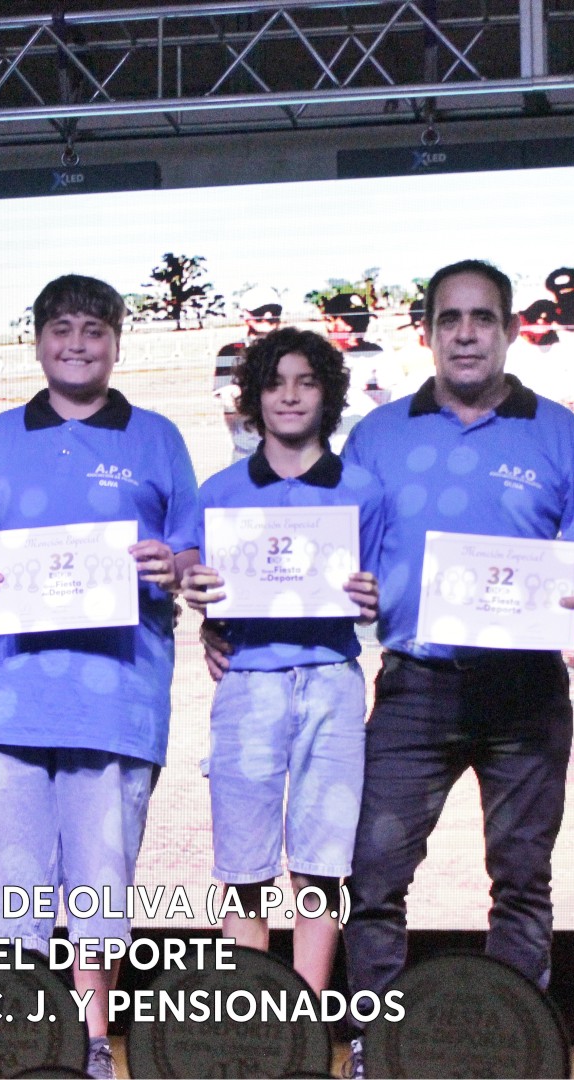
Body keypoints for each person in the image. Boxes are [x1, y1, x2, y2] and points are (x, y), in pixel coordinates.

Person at [293, 259, 574, 1075]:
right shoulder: (378, 436)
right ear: (428, 332)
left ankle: (511, 1050)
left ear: (508, 330)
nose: (466, 335)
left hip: (525, 692)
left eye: (482, 318)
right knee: (373, 879)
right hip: (415, 688)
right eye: (450, 319)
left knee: (522, 881)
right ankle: (377, 1046)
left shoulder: (558, 432)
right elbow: (328, 546)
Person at [0, 274, 199, 1080]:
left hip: (116, 701)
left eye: (94, 329)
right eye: (62, 328)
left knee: (99, 884)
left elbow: (190, 551)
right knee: (2, 887)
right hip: (7, 699)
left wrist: (171, 564)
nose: (77, 344)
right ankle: (14, 1039)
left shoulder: (157, 438)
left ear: (117, 342)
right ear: (38, 341)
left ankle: (89, 1043)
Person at [181, 327, 384, 994]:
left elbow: (381, 586)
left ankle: (306, 1013)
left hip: (333, 681)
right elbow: (196, 574)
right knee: (244, 863)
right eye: (273, 383)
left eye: (306, 382)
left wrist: (373, 594)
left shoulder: (363, 490)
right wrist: (199, 597)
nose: (289, 396)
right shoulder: (220, 491)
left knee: (323, 861)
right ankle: (250, 1011)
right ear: (253, 396)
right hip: (247, 682)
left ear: (329, 394)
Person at [503, 298, 574, 418]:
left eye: (549, 313)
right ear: (520, 317)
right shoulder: (505, 350)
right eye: (534, 313)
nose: (541, 318)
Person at [214, 289, 283, 463]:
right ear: (246, 315)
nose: (268, 316)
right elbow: (229, 401)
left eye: (274, 311)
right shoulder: (230, 352)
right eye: (261, 311)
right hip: (248, 450)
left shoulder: (298, 349)